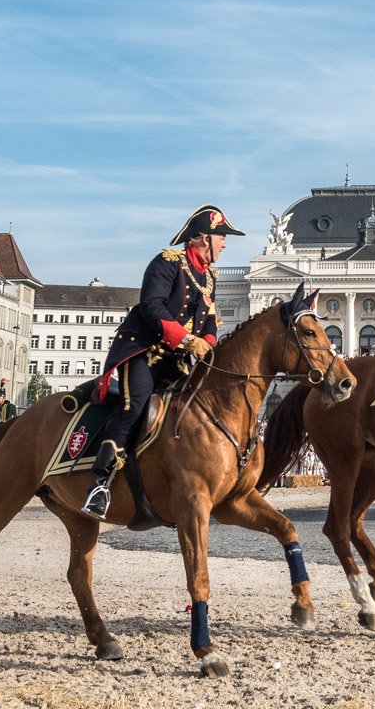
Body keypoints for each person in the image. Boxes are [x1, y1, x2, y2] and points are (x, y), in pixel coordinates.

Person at [82, 204, 245, 519]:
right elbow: (152, 307)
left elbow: (209, 319)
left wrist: (207, 346)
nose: (224, 243)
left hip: (176, 360)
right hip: (144, 351)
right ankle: (99, 485)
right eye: (221, 236)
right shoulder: (168, 263)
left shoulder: (208, 277)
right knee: (136, 406)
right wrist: (187, 340)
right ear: (202, 238)